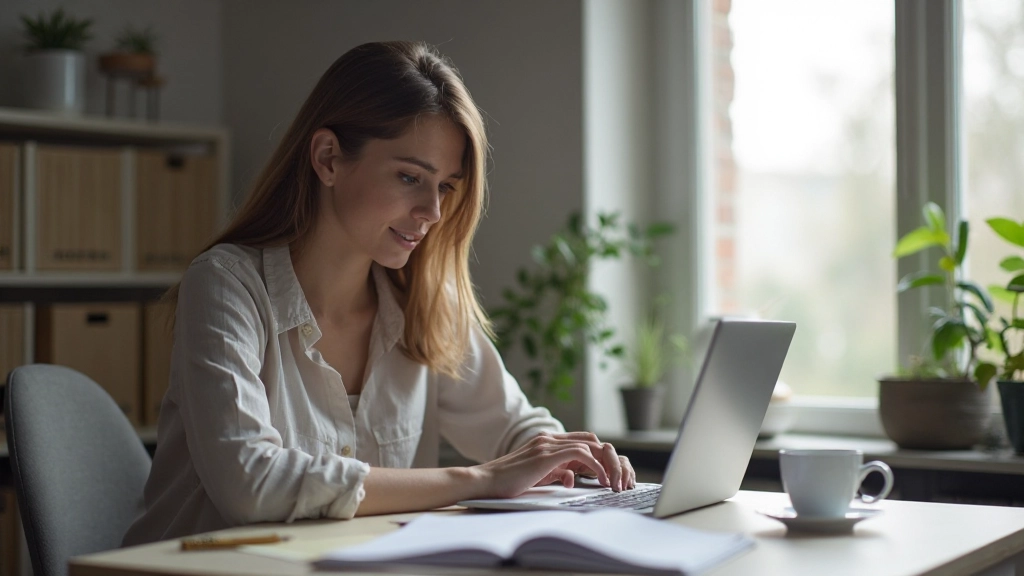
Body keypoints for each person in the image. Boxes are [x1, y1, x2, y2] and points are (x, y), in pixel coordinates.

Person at [122, 40, 635, 547]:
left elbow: (513, 431)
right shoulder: (226, 285)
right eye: (410, 177)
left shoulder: (425, 303)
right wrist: (478, 479)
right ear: (327, 158)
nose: (432, 212)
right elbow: (250, 483)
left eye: (446, 187)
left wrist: (570, 457)